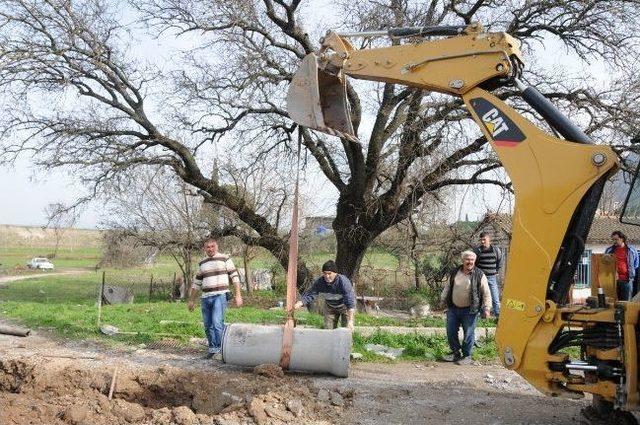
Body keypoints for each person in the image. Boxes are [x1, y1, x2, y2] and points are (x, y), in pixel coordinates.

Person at [188, 239, 243, 360]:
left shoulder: (225, 259)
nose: (210, 249)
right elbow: (196, 283)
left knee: (217, 322)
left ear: (216, 247)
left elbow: (234, 276)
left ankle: (222, 350)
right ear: (204, 249)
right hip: (206, 297)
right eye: (207, 247)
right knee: (208, 325)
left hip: (220, 295)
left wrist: (238, 295)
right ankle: (213, 349)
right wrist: (191, 300)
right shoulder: (202, 262)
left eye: (212, 246)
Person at [441, 250, 492, 365]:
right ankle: (455, 353)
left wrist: (487, 308)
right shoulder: (454, 272)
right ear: (463, 260)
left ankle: (467, 356)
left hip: (470, 310)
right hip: (453, 308)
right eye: (467, 259)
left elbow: (486, 292)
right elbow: (447, 287)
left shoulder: (479, 274)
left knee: (468, 333)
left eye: (472, 260)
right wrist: (442, 300)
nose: (470, 262)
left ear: (475, 260)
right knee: (451, 331)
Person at [294, 260, 356, 330]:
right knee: (328, 330)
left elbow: (350, 302)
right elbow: (311, 294)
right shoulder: (320, 282)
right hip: (330, 307)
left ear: (335, 273)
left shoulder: (343, 282)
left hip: (345, 306)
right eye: (325, 273)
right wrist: (301, 302)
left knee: (346, 330)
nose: (327, 276)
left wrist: (350, 321)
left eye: (329, 273)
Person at [473, 231, 503, 318]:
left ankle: (498, 315)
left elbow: (499, 261)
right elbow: (474, 264)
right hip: (480, 278)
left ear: (489, 239)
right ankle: (481, 315)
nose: (482, 241)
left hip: (491, 277)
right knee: (480, 297)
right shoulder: (477, 251)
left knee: (495, 297)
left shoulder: (496, 250)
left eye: (484, 239)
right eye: (481, 240)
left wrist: (496, 271)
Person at [604, 231, 639, 301]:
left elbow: (636, 264)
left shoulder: (631, 250)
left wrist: (630, 272)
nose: (614, 241)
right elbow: (605, 264)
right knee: (613, 301)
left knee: (626, 302)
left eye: (616, 239)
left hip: (626, 280)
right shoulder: (609, 250)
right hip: (613, 280)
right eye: (613, 239)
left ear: (622, 239)